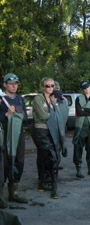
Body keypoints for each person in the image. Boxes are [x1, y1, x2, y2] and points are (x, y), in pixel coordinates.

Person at [32, 77, 63, 199]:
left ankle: (41, 184)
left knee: (42, 157)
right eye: (47, 86)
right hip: (40, 131)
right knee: (53, 157)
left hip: (51, 131)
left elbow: (57, 116)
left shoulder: (52, 99)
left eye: (52, 86)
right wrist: (53, 113)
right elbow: (43, 115)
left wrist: (53, 110)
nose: (50, 88)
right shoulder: (38, 98)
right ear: (42, 87)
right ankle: (54, 189)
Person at [0, 73, 28, 207]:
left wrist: (16, 113)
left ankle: (13, 194)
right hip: (5, 136)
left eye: (16, 83)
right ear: (5, 84)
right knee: (5, 164)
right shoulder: (1, 99)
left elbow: (26, 116)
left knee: (19, 162)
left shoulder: (20, 99)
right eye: (11, 83)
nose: (14, 86)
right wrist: (6, 114)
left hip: (19, 136)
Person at [72, 81, 90, 178]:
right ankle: (78, 169)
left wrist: (85, 109)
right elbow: (79, 112)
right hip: (80, 127)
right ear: (82, 89)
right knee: (78, 148)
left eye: (87, 87)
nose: (86, 89)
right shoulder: (78, 99)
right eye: (84, 88)